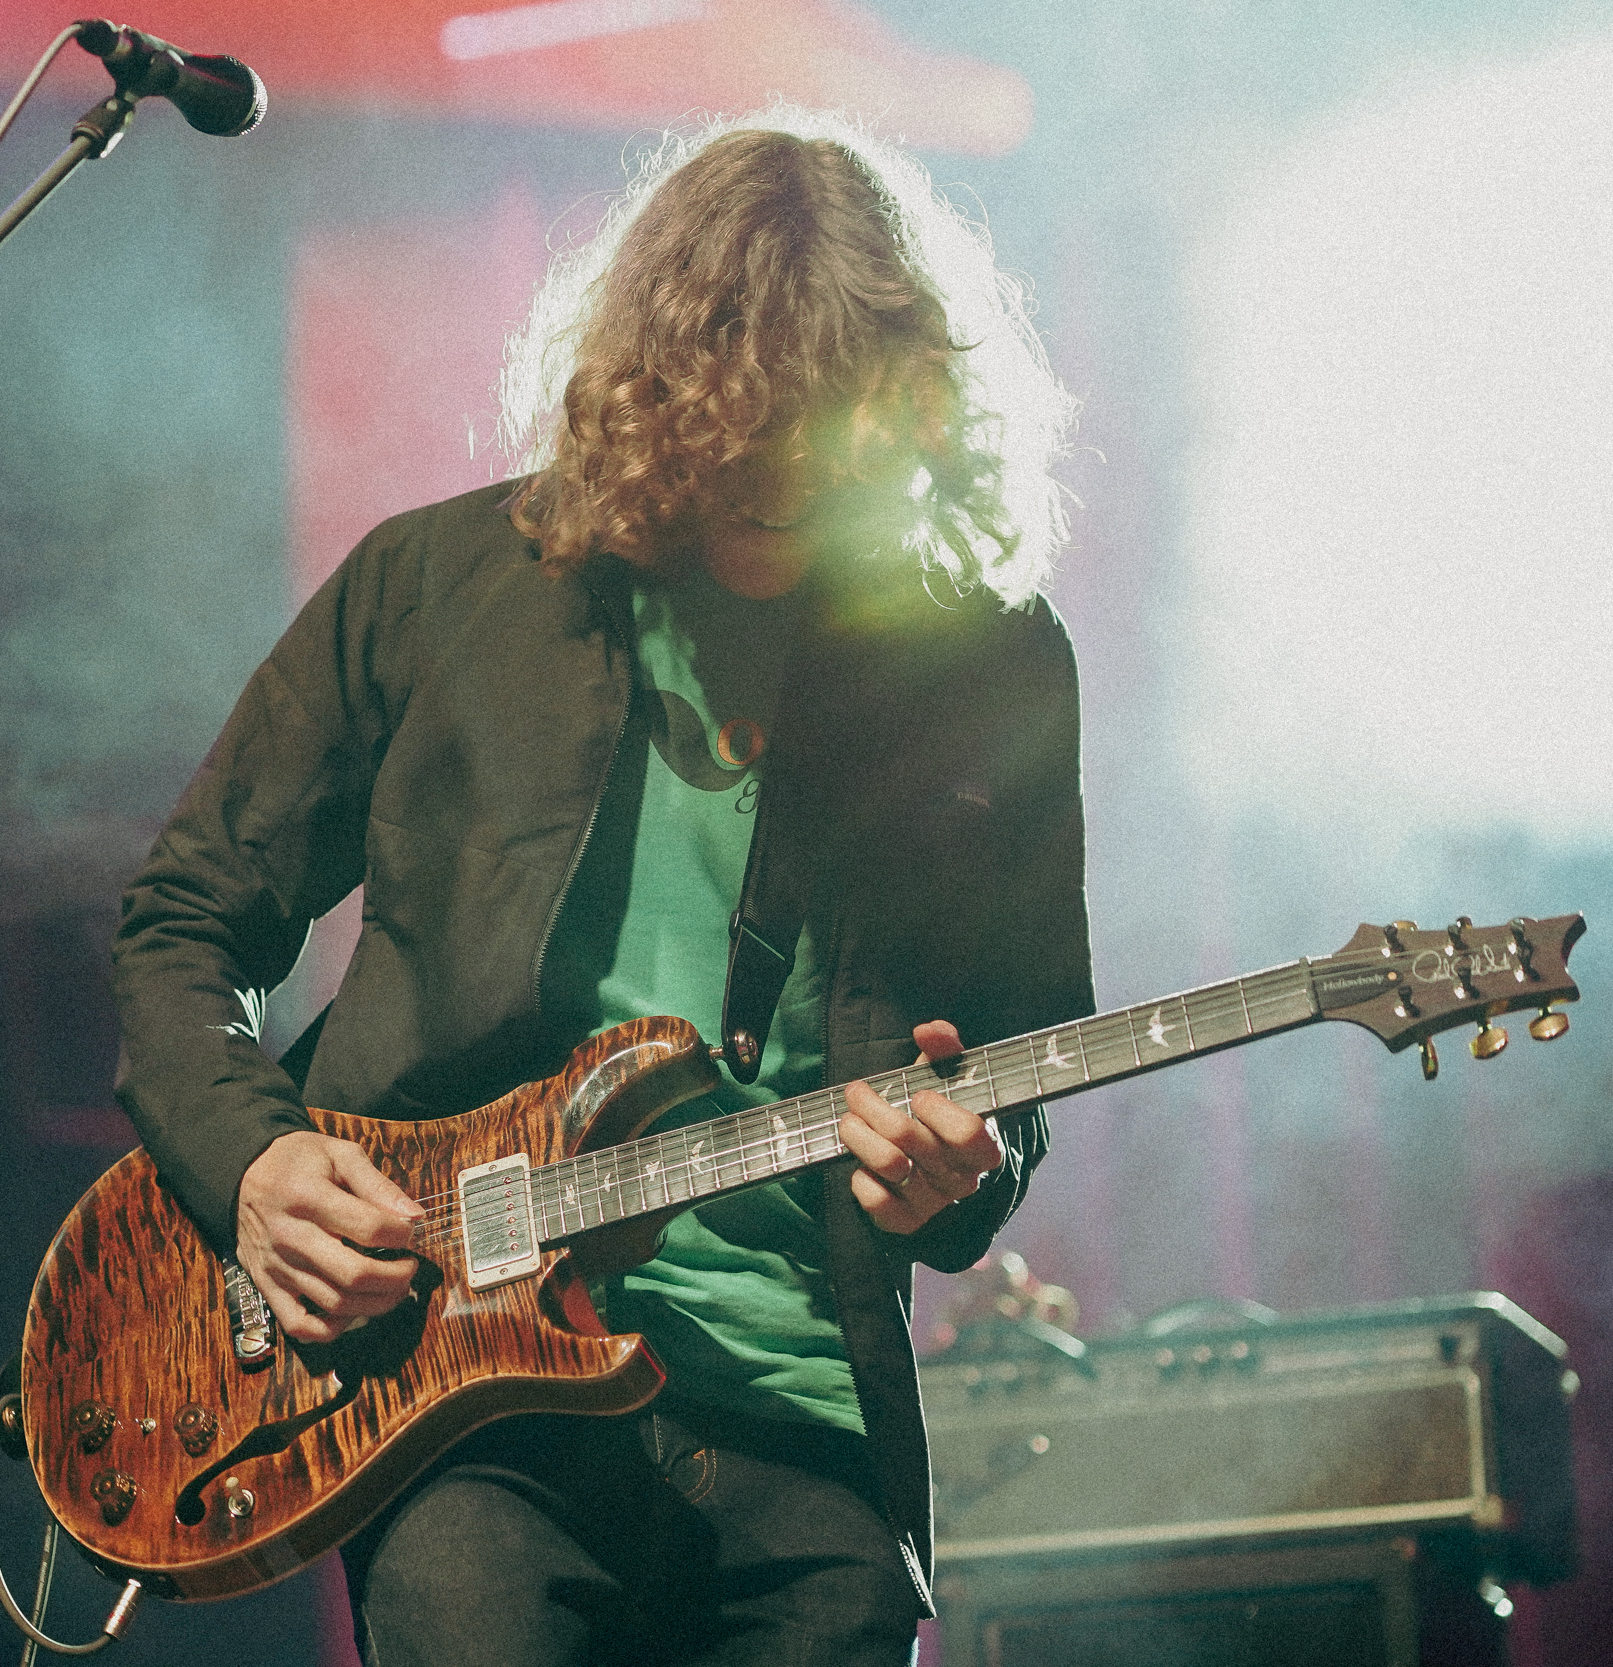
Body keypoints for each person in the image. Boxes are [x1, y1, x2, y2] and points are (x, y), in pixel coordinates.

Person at [110, 104, 1092, 1667]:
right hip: (464, 1403)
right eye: (737, 443)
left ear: (903, 415)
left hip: (807, 1414)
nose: (774, 489)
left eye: (822, 448)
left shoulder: (989, 667)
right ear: (650, 397)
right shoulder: (437, 587)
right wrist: (257, 1167)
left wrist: (967, 1173)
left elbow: (1011, 1065)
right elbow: (183, 927)